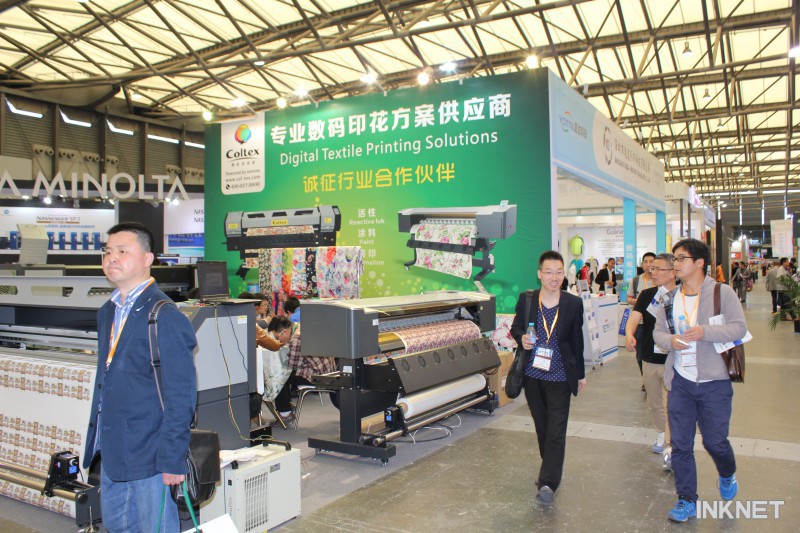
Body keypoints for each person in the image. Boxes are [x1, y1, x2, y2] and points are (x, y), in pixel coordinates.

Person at [84, 222, 197, 532]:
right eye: (108, 251)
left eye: (123, 251)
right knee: (117, 526)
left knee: (155, 527)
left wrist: (172, 457)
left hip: (150, 452)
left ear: (147, 259)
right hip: (113, 449)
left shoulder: (164, 315)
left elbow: (181, 394)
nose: (112, 258)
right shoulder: (108, 311)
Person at [653, 238, 747, 523]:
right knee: (680, 444)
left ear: (699, 263)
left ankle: (727, 473)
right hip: (680, 381)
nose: (676, 264)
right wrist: (671, 340)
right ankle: (686, 500)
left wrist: (705, 332)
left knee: (715, 441)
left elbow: (739, 328)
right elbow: (658, 333)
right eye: (674, 259)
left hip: (715, 382)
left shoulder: (722, 293)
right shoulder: (669, 298)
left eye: (681, 259)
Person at [510, 251, 586, 505]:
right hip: (532, 374)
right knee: (542, 427)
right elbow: (516, 327)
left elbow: (576, 341)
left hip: (560, 376)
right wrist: (521, 337)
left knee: (556, 429)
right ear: (539, 274)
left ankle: (548, 482)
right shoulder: (527, 300)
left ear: (564, 274)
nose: (554, 277)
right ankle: (549, 466)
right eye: (549, 272)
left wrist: (580, 375)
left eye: (559, 272)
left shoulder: (573, 304)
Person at [625, 253, 676, 458]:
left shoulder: (683, 295)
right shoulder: (647, 295)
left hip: (675, 358)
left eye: (658, 269)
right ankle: (661, 434)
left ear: (672, 273)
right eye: (652, 268)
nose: (653, 272)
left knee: (671, 403)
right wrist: (629, 334)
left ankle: (672, 441)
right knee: (654, 401)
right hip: (650, 356)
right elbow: (634, 318)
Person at [273, 299, 338, 424]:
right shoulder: (301, 326)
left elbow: (292, 365)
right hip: (328, 369)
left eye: (277, 337)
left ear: (284, 331)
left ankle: (285, 414)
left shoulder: (295, 339)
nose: (279, 341)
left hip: (318, 375)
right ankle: (287, 406)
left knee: (278, 377)